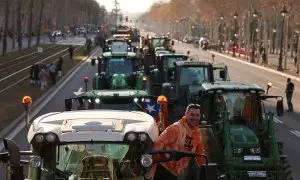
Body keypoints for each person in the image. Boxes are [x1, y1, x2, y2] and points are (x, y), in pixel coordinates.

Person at [145, 104, 205, 180]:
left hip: (175, 173)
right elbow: (158, 144)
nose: (195, 118)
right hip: (163, 169)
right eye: (192, 115)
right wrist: (153, 168)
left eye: (197, 115)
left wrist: (205, 171)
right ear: (186, 114)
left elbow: (200, 155)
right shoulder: (175, 128)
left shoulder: (197, 134)